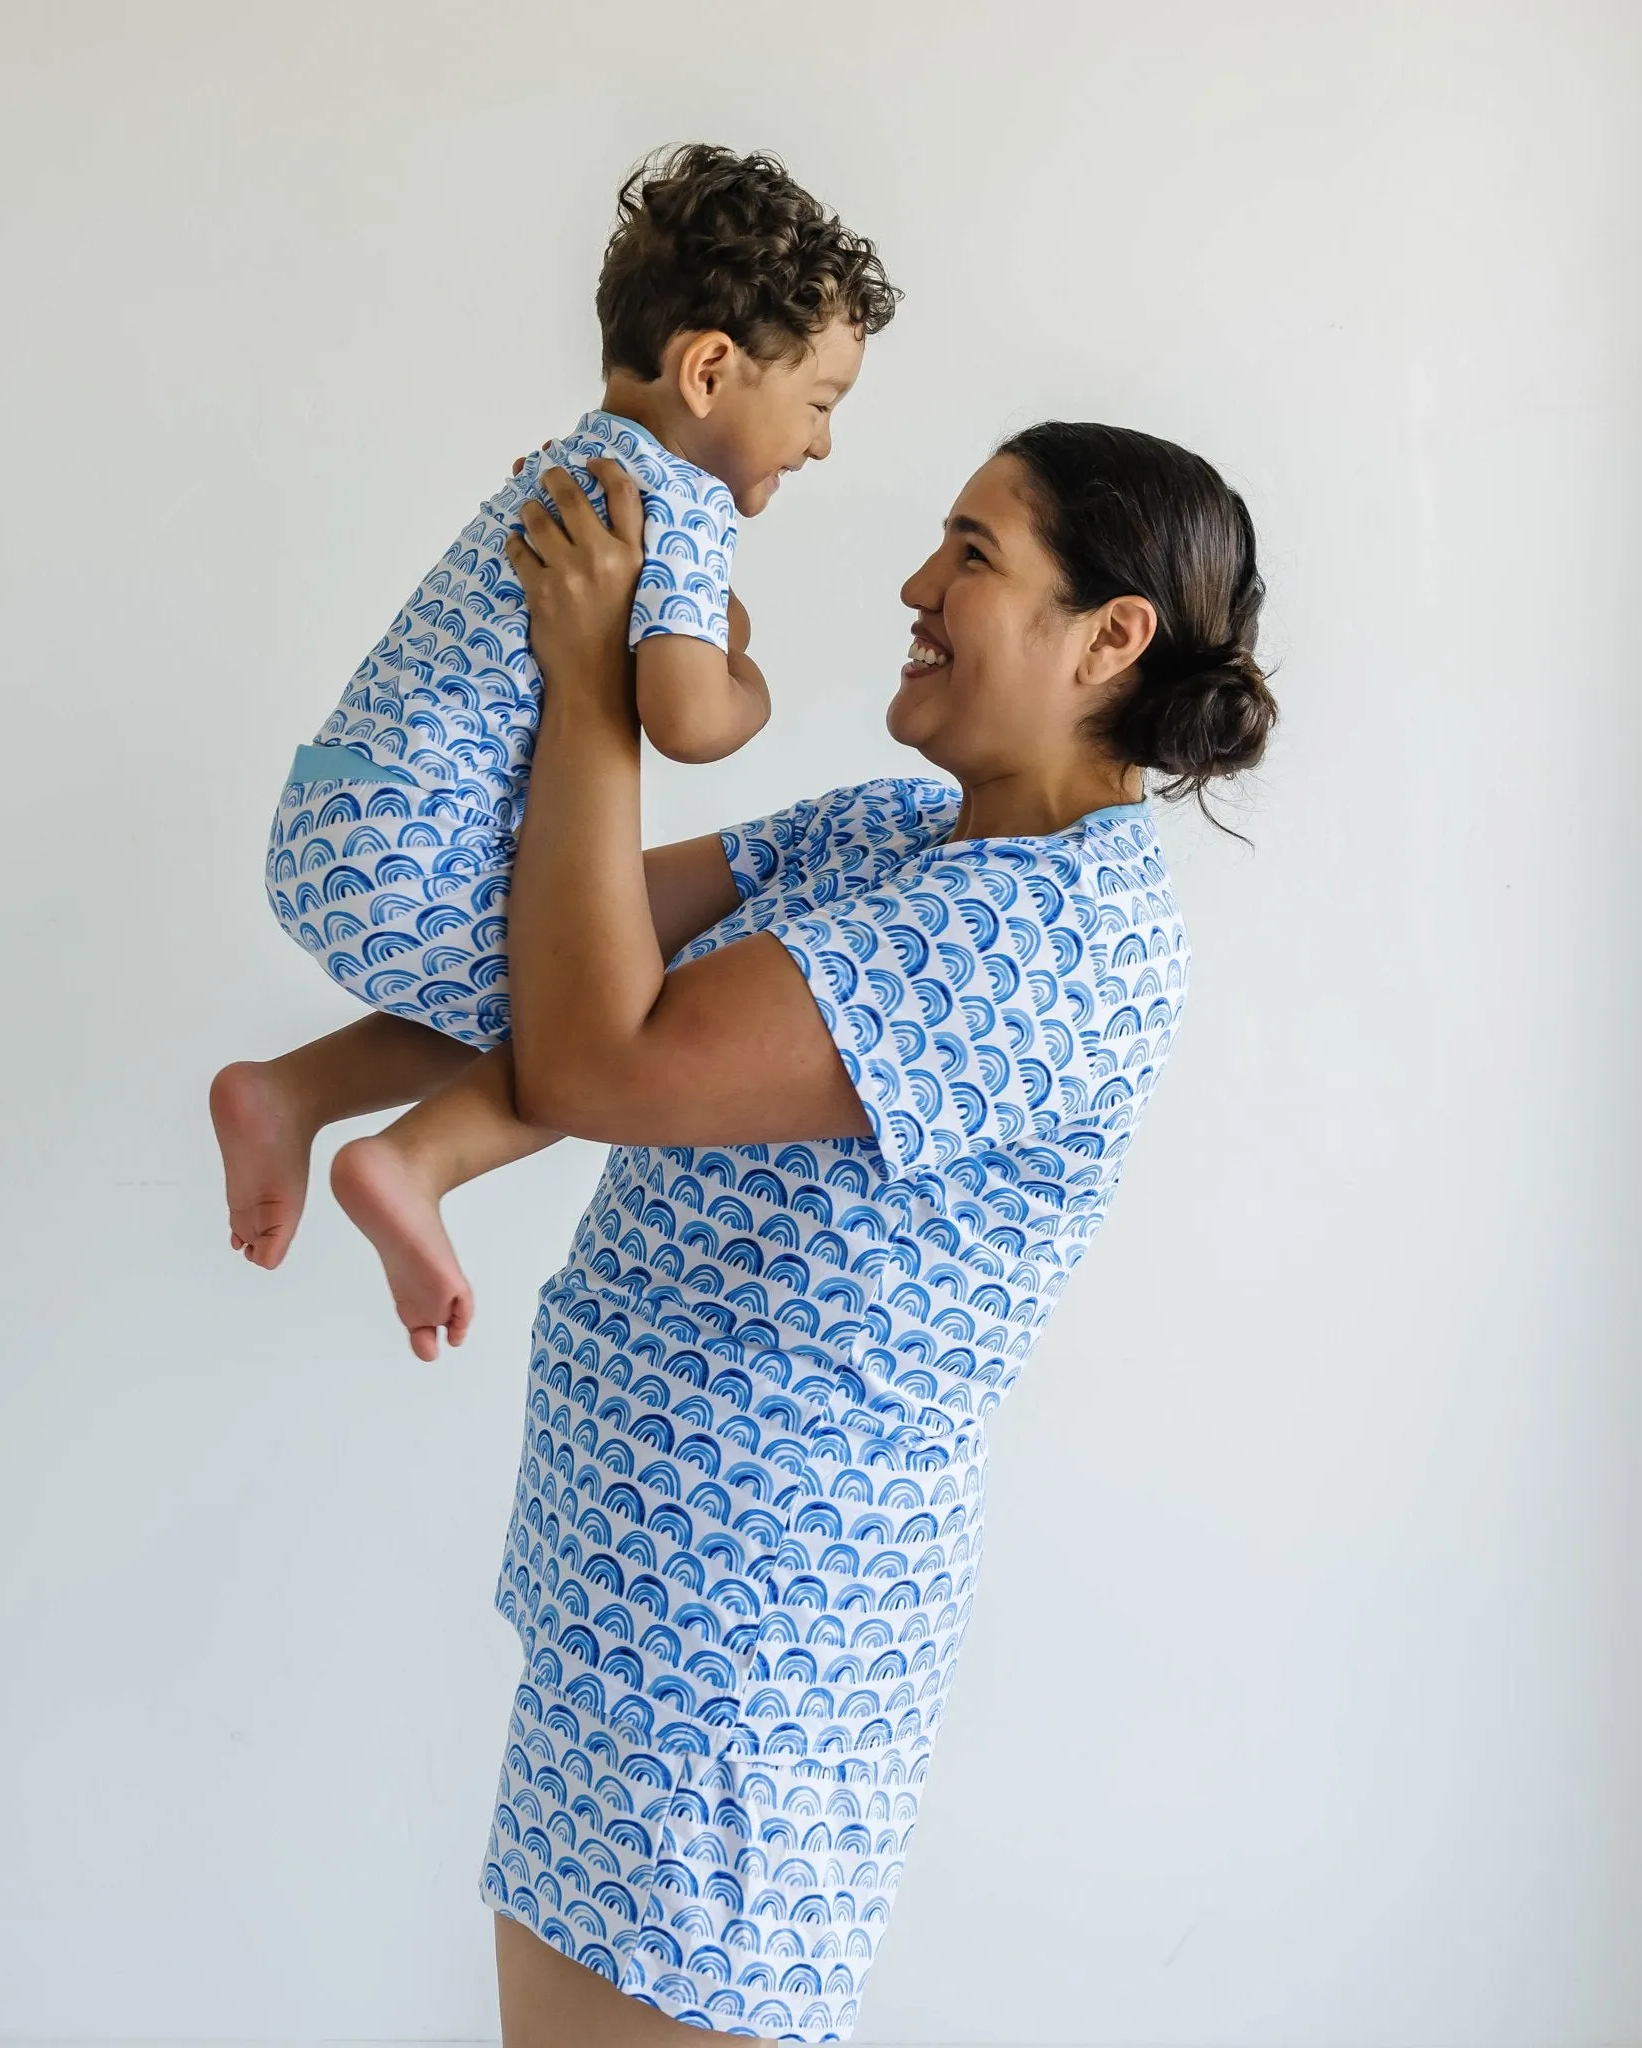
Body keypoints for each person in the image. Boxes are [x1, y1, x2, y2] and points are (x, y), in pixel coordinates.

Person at [469, 423, 1278, 2044]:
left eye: (973, 557)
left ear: (1109, 636)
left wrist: (601, 687)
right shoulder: (889, 840)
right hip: (634, 1625)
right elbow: (545, 943)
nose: (914, 585)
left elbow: (592, 1056)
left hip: (739, 1680)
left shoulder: (1057, 931)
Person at [208, 144, 898, 1353]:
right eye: (821, 403)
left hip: (337, 808)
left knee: (544, 965)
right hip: (410, 860)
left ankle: (294, 1089)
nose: (822, 444)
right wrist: (750, 677)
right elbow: (687, 718)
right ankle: (411, 1160)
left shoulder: (565, 465)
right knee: (619, 1001)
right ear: (708, 370)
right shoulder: (671, 504)